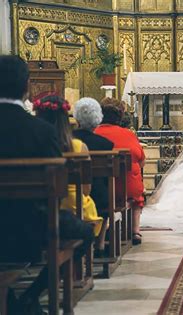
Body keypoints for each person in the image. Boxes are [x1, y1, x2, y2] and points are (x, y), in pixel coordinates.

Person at [0, 55, 94, 314]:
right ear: (26, 87)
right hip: (30, 226)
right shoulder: (41, 131)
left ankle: (12, 299)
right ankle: (29, 298)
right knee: (85, 232)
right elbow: (58, 187)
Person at [34, 94, 104, 237]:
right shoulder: (78, 147)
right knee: (86, 232)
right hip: (74, 207)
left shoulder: (32, 146)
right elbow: (86, 190)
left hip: (37, 208)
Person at [95, 97, 146, 245]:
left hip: (99, 188)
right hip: (125, 189)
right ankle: (135, 230)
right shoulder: (128, 134)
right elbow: (141, 160)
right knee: (137, 192)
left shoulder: (94, 133)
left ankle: (104, 228)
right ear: (120, 116)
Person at [73, 97, 114, 255]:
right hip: (97, 194)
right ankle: (100, 243)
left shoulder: (68, 139)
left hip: (68, 193)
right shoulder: (105, 144)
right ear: (98, 119)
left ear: (76, 118)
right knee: (104, 196)